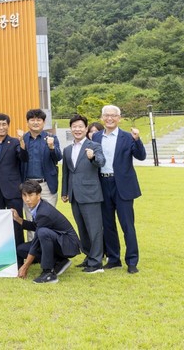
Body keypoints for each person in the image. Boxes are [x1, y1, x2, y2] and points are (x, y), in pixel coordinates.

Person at [90, 105, 146, 274]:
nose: (110, 118)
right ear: (102, 118)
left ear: (119, 118)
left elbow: (141, 156)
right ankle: (113, 259)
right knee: (108, 225)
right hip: (103, 183)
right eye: (106, 115)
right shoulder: (96, 136)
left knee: (127, 225)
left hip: (122, 186)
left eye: (113, 115)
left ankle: (132, 261)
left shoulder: (128, 137)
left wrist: (137, 140)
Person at [61, 114, 106, 273]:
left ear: (86, 128)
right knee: (82, 229)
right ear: (71, 129)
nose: (77, 129)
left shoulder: (94, 146)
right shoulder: (67, 150)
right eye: (74, 127)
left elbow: (101, 162)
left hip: (90, 194)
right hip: (74, 195)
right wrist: (65, 191)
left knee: (94, 230)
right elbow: (66, 172)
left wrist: (92, 157)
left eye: (80, 126)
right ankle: (89, 256)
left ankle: (96, 263)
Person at [14, 181, 80, 284]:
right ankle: (59, 262)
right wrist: (18, 219)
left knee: (42, 233)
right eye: (24, 195)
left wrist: (25, 266)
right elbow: (35, 226)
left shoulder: (44, 212)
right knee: (21, 249)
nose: (27, 199)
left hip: (69, 245)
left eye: (30, 195)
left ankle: (49, 273)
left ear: (38, 195)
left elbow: (36, 241)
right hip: (59, 240)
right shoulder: (38, 207)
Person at [0, 113, 28, 247]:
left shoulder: (15, 142)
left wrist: (22, 142)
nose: (1, 127)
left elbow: (23, 158)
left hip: (12, 189)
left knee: (16, 223)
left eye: (4, 124)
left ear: (8, 126)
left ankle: (19, 254)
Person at [19, 108, 62, 208]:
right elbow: (20, 159)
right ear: (27, 122)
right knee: (31, 215)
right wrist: (21, 144)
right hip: (28, 184)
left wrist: (52, 147)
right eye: (32, 120)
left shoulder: (51, 137)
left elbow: (58, 157)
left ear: (44, 122)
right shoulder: (23, 139)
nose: (35, 123)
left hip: (47, 184)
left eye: (38, 120)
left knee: (48, 214)